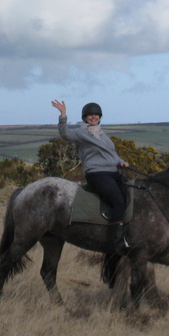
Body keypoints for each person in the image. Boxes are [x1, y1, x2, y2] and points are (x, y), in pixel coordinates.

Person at [51, 99, 131, 255]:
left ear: (100, 117)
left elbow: (111, 154)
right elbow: (65, 134)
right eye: (90, 115)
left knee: (132, 194)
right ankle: (116, 240)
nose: (93, 117)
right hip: (97, 174)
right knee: (118, 201)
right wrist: (63, 115)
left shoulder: (102, 134)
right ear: (85, 118)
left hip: (113, 172)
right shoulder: (81, 132)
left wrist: (121, 162)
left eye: (96, 115)